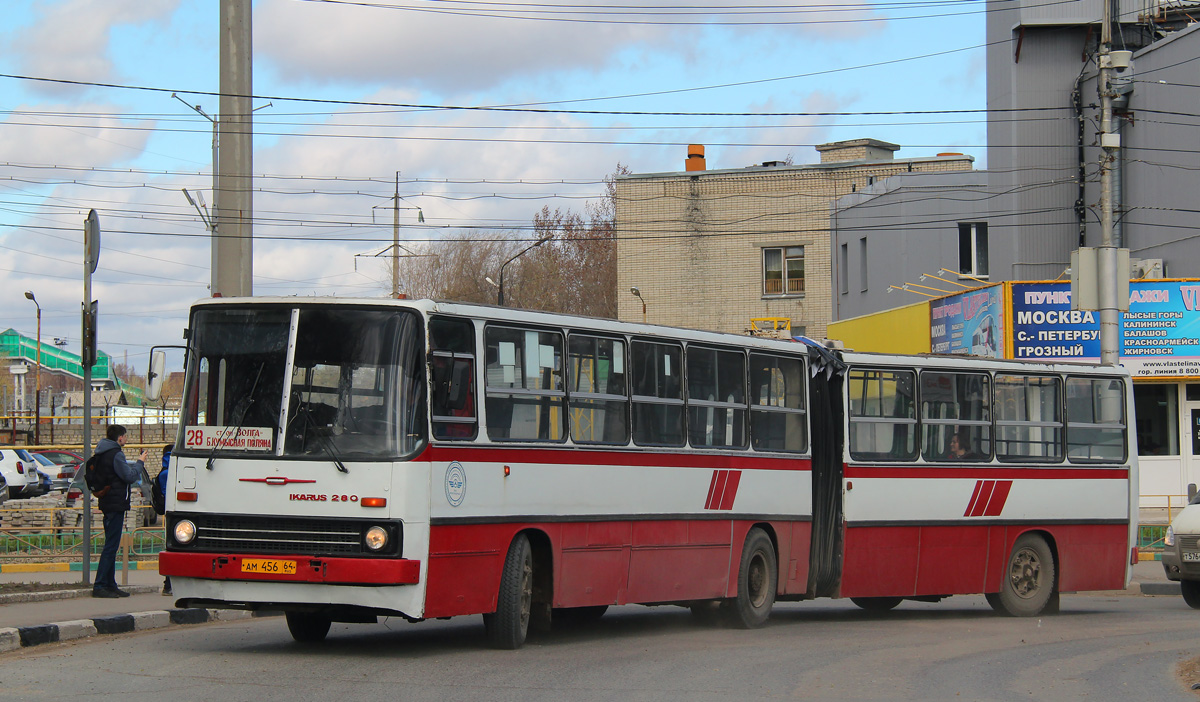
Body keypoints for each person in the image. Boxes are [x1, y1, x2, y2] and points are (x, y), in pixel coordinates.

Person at [91, 424, 148, 598]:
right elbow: (129, 476)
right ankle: (100, 585)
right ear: (120, 438)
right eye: (125, 436)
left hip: (107, 502)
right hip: (115, 504)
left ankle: (110, 584)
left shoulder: (101, 452)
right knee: (111, 546)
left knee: (112, 544)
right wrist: (140, 462)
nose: (127, 439)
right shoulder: (116, 454)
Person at [156, 443, 172, 595]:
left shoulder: (164, 471)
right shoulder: (170, 471)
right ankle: (168, 584)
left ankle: (169, 584)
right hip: (175, 513)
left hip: (170, 513)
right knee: (172, 546)